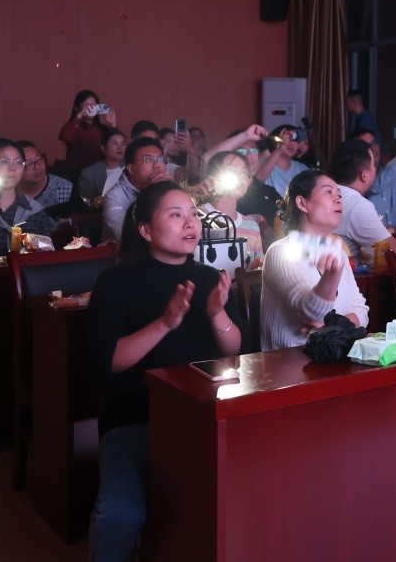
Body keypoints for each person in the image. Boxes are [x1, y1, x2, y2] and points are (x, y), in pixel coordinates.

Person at [88, 181, 244, 562]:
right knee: (118, 515)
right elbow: (108, 361)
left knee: (232, 505)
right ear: (145, 230)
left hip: (203, 417)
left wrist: (216, 314)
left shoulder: (209, 278)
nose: (190, 223)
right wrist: (164, 323)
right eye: (176, 215)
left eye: (193, 214)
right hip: (135, 419)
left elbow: (236, 348)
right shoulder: (116, 281)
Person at [260, 169, 369, 351]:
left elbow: (362, 311)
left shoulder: (339, 253)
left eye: (339, 194)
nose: (338, 199)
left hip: (335, 358)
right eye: (328, 192)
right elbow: (312, 313)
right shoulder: (280, 252)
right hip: (290, 361)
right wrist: (331, 276)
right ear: (302, 203)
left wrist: (330, 328)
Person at [329, 139, 396, 266]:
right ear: (364, 175)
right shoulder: (357, 205)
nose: (375, 169)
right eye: (374, 164)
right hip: (347, 276)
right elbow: (395, 253)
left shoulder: (323, 193)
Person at [196, 151, 266, 268]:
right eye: (232, 171)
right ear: (213, 176)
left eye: (244, 173)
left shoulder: (251, 226)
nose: (240, 177)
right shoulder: (196, 217)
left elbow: (257, 271)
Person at [102, 138, 170, 243]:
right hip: (118, 251)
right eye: (148, 160)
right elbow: (126, 238)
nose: (157, 165)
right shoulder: (114, 196)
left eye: (160, 159)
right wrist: (148, 193)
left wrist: (174, 189)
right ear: (131, 168)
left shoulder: (169, 189)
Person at [14, 140, 76, 218]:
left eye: (39, 159)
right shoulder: (8, 194)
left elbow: (82, 218)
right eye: (29, 164)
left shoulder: (64, 188)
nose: (37, 167)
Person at [59, 89, 117, 171]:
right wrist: (80, 114)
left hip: (100, 171)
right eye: (87, 105)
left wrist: (112, 123)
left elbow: (115, 145)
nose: (91, 107)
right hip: (77, 172)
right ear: (77, 108)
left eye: (94, 105)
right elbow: (66, 136)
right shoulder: (73, 127)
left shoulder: (102, 128)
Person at [79, 128, 127, 206]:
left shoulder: (132, 168)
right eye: (115, 143)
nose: (120, 148)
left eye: (123, 144)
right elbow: (86, 204)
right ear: (103, 148)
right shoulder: (89, 174)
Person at [262, 124, 309, 197]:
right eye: (286, 137)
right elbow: (256, 182)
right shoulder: (262, 164)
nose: (291, 143)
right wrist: (279, 149)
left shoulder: (302, 169)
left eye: (295, 139)